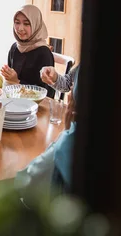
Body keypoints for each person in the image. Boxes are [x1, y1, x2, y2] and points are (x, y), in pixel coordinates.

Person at [15, 65, 79, 206]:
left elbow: (27, 182)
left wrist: (67, 130)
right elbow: (68, 82)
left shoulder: (70, 142)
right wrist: (55, 78)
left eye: (75, 87)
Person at [1, 4, 55, 98]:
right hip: (15, 101)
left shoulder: (44, 53)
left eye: (26, 24)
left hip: (36, 108)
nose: (20, 28)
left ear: (36, 25)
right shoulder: (14, 48)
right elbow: (9, 85)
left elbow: (48, 93)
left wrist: (17, 82)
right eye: (17, 22)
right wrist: (9, 77)